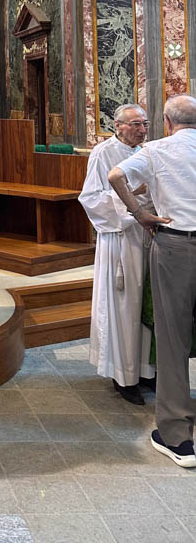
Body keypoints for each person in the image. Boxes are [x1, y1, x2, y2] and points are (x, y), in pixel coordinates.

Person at [109, 94, 196, 468]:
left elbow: (116, 176)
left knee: (173, 337)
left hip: (177, 246)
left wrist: (140, 212)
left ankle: (177, 437)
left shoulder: (157, 150)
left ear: (166, 122)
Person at [79, 104, 156, 404]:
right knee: (125, 309)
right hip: (120, 239)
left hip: (148, 237)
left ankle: (148, 371)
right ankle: (124, 377)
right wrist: (130, 198)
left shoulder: (147, 152)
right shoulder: (102, 153)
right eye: (136, 123)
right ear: (118, 125)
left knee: (146, 307)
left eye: (145, 123)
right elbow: (90, 199)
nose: (142, 129)